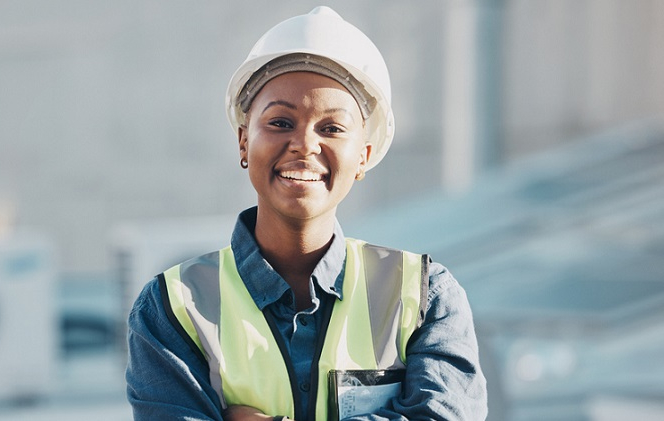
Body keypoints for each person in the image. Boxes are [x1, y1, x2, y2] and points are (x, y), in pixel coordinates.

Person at [125, 7, 487, 421]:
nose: (304, 144)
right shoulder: (172, 308)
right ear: (244, 142)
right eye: (280, 122)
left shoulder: (425, 299)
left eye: (332, 128)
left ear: (363, 157)